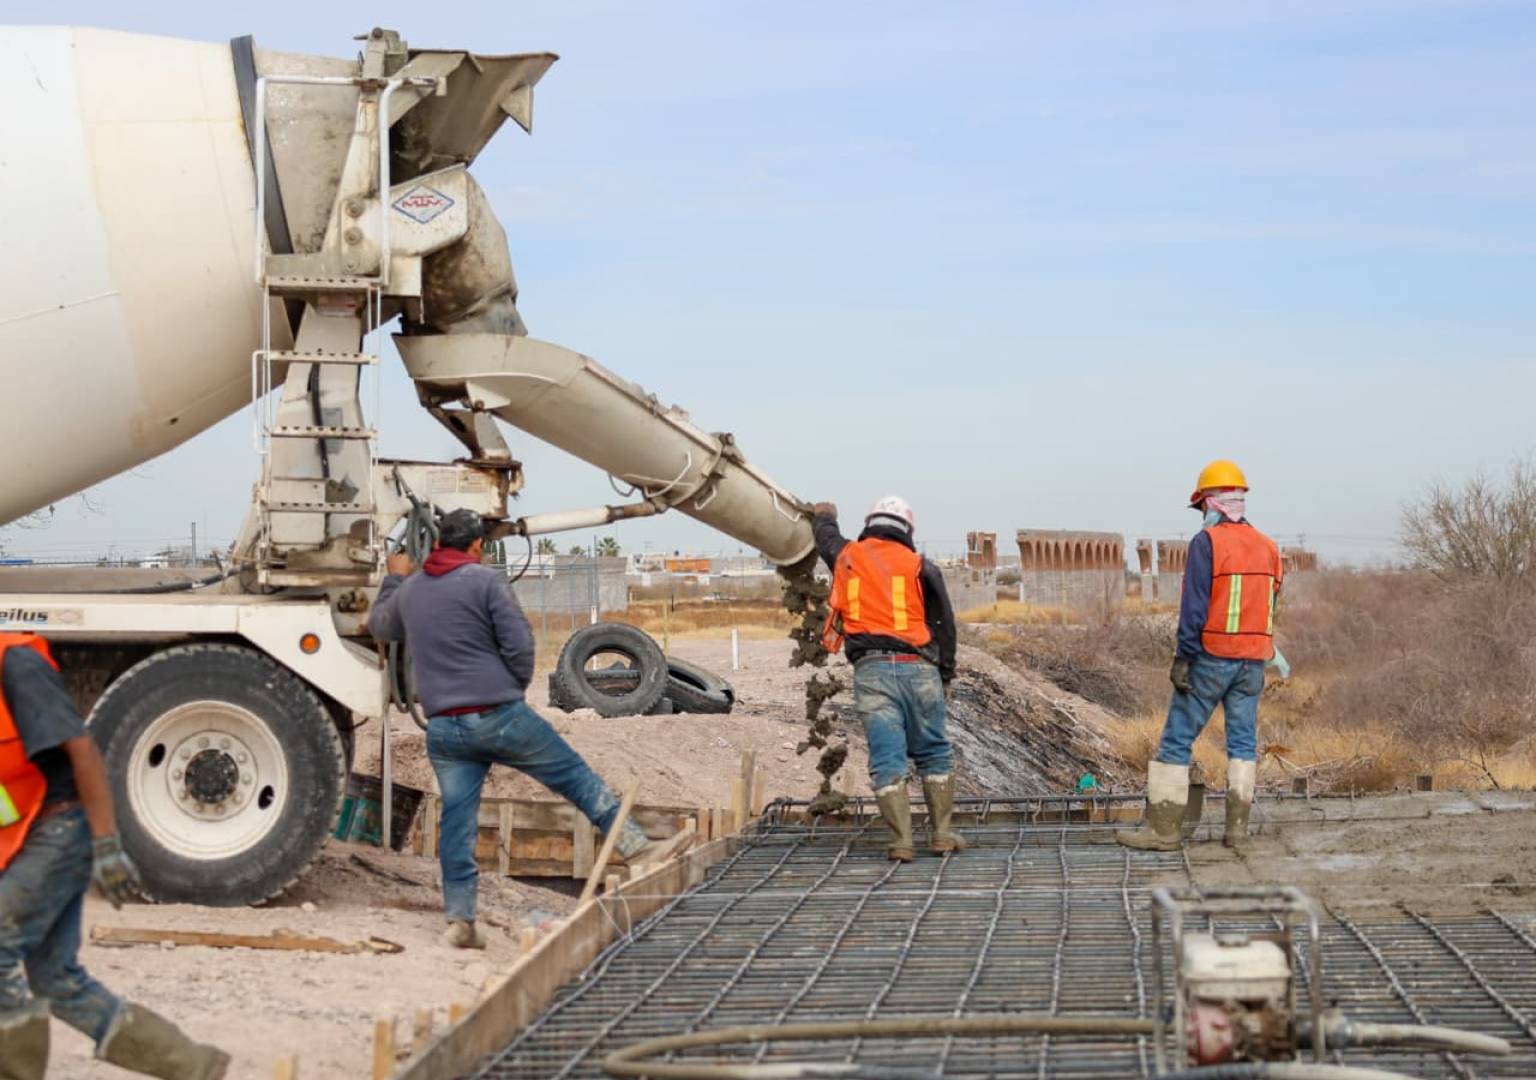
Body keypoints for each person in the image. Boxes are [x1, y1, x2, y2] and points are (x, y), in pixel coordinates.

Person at [370, 509, 690, 949]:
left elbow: (380, 626)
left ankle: (460, 920)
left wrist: (394, 578)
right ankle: (637, 845)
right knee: (575, 778)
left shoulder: (413, 591)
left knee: (458, 824)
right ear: (478, 546)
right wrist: (511, 689)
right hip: (498, 714)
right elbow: (519, 644)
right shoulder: (485, 582)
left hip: (444, 727)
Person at [0, 632, 229, 1080]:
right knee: (57, 981)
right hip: (29, 834)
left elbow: (82, 750)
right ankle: (194, 1067)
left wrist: (106, 845)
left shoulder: (15, 663)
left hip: (61, 826)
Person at [1117, 460, 1285, 854]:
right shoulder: (1269, 547)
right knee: (1242, 743)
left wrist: (1183, 656)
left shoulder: (1207, 543)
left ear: (1210, 502)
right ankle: (1237, 832)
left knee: (1177, 739)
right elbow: (1272, 605)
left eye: (1202, 508)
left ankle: (1163, 832)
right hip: (1253, 662)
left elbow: (1194, 606)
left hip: (1212, 656)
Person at [811, 496, 961, 861]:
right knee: (934, 750)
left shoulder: (848, 555)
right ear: (907, 529)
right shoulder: (920, 565)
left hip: (873, 671)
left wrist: (824, 515)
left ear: (870, 524)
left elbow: (825, 538)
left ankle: (901, 843)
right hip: (920, 667)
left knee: (886, 756)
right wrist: (946, 673)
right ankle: (941, 836)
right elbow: (944, 625)